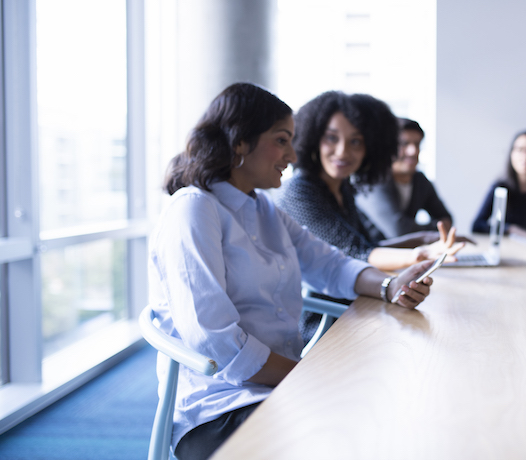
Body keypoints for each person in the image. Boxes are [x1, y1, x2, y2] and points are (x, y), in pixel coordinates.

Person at [149, 83, 435, 460]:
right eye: (282, 140)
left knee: (392, 417)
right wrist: (305, 375)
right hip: (220, 409)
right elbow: (213, 338)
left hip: (279, 389)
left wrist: (388, 285)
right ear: (239, 143)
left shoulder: (265, 210)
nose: (292, 154)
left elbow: (330, 263)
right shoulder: (194, 209)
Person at [277, 91, 464, 272]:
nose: (343, 151)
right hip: (321, 301)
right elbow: (353, 253)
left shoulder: (343, 186)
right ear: (314, 139)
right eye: (332, 138)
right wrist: (418, 254)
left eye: (356, 142)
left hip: (353, 292)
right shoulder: (299, 191)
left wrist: (425, 239)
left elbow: (368, 246)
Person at [356, 117, 453, 238]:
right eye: (404, 144)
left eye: (417, 144)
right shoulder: (374, 179)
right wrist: (434, 229)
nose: (413, 151)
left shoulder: (420, 180)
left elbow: (447, 219)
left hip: (409, 254)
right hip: (371, 255)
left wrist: (412, 228)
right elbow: (398, 231)